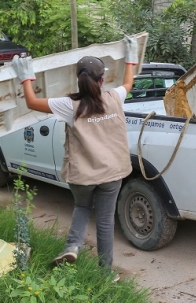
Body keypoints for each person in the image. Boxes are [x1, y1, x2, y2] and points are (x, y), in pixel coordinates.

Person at [11, 35, 139, 271]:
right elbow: (128, 83)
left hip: (83, 176)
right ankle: (105, 272)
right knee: (104, 222)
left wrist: (25, 76)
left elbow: (31, 102)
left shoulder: (69, 105)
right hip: (113, 173)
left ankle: (72, 247)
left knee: (82, 208)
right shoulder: (114, 97)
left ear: (78, 80)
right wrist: (131, 57)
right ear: (102, 81)